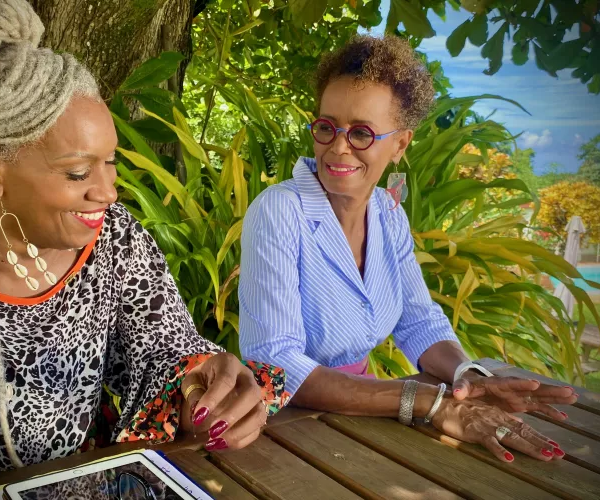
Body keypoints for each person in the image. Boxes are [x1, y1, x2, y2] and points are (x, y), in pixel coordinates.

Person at [0, 1, 287, 497]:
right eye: (77, 172)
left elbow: (163, 350)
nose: (107, 191)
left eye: (109, 163)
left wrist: (204, 386)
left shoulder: (113, 238)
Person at [239, 35, 576, 464]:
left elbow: (418, 320)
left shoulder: (387, 214)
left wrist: (467, 379)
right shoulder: (279, 211)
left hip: (361, 414)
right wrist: (431, 403)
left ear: (400, 144)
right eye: (326, 127)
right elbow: (277, 364)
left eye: (362, 133)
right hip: (286, 427)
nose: (338, 147)